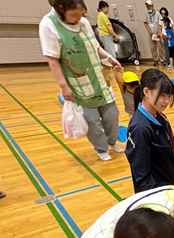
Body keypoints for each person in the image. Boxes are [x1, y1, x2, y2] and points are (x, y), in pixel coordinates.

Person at [40, 0, 124, 162]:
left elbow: (95, 47)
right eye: (74, 15)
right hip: (78, 85)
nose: (79, 19)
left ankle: (113, 142)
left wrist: (109, 57)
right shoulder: (48, 25)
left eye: (81, 14)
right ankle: (101, 148)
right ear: (61, 10)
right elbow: (52, 59)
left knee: (112, 115)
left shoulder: (83, 22)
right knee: (92, 121)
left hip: (99, 79)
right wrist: (64, 87)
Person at [125, 69, 174, 193]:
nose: (166, 101)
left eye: (169, 96)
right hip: (160, 195)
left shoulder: (159, 116)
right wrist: (165, 196)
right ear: (146, 92)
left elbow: (169, 149)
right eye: (162, 96)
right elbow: (142, 180)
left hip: (171, 184)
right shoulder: (140, 129)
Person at [143, 0, 163, 66]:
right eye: (147, 6)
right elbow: (145, 23)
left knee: (160, 47)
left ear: (152, 5)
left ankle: (162, 60)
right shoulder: (146, 14)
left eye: (149, 5)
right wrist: (150, 32)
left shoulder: (157, 13)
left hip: (157, 32)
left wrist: (158, 31)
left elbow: (160, 23)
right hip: (151, 34)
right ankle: (155, 60)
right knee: (152, 47)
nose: (148, 7)